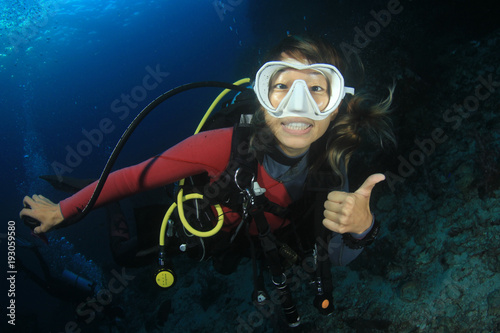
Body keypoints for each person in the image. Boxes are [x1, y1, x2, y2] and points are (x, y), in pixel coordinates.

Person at [20, 35, 395, 327]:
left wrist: (363, 228)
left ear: (339, 104)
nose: (298, 106)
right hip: (205, 226)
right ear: (261, 98)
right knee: (125, 256)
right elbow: (133, 177)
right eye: (281, 87)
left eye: (317, 88)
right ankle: (103, 202)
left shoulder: (331, 164)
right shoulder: (220, 146)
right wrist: (62, 211)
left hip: (260, 242)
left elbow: (337, 257)